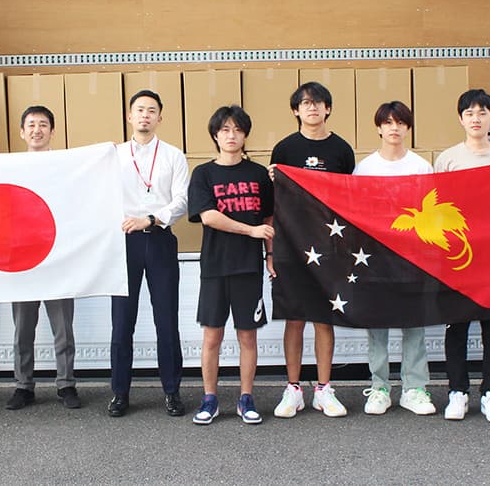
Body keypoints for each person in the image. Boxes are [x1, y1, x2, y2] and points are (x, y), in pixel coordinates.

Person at [270, 81, 355, 418]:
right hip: (292, 245)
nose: (312, 108)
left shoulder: (342, 150)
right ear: (296, 110)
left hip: (329, 245)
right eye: (305, 103)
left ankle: (323, 389)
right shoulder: (284, 149)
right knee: (295, 318)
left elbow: (351, 200)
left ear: (328, 108)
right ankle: (293, 389)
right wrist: (271, 250)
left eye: (318, 103)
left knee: (323, 317)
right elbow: (275, 201)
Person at [187, 105, 274, 425]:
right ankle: (209, 398)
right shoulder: (203, 174)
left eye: (237, 130)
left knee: (247, 336)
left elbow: (268, 217)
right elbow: (208, 216)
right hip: (214, 266)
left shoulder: (258, 174)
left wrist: (269, 254)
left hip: (248, 267)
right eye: (225, 130)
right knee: (212, 337)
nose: (231, 135)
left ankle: (246, 397)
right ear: (215, 135)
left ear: (245, 135)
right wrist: (250, 230)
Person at [434, 88, 490, 423]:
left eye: (482, 112)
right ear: (460, 119)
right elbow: (436, 204)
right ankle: (457, 391)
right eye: (469, 113)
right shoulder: (447, 158)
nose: (476, 119)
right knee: (457, 325)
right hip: (457, 254)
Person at [110, 90, 189, 418]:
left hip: (159, 238)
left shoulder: (174, 156)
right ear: (129, 116)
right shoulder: (112, 155)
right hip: (123, 242)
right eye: (139, 110)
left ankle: (172, 391)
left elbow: (182, 200)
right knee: (122, 321)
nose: (145, 115)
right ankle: (119, 393)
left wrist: (153, 218)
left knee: (166, 319)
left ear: (160, 117)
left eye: (151, 110)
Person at [353, 101, 436, 416]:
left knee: (414, 323)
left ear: (408, 127)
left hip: (413, 255)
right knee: (378, 323)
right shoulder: (365, 168)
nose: (394, 128)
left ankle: (415, 388)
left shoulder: (421, 166)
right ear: (378, 127)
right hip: (375, 256)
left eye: (400, 122)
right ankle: (379, 387)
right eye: (387, 122)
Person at [4, 106, 80, 411]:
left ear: (52, 131)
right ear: (22, 132)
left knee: (63, 326)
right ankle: (23, 385)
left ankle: (66, 384)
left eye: (43, 124)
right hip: (21, 257)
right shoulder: (9, 166)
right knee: (23, 328)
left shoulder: (66, 165)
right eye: (31, 125)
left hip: (57, 256)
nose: (37, 129)